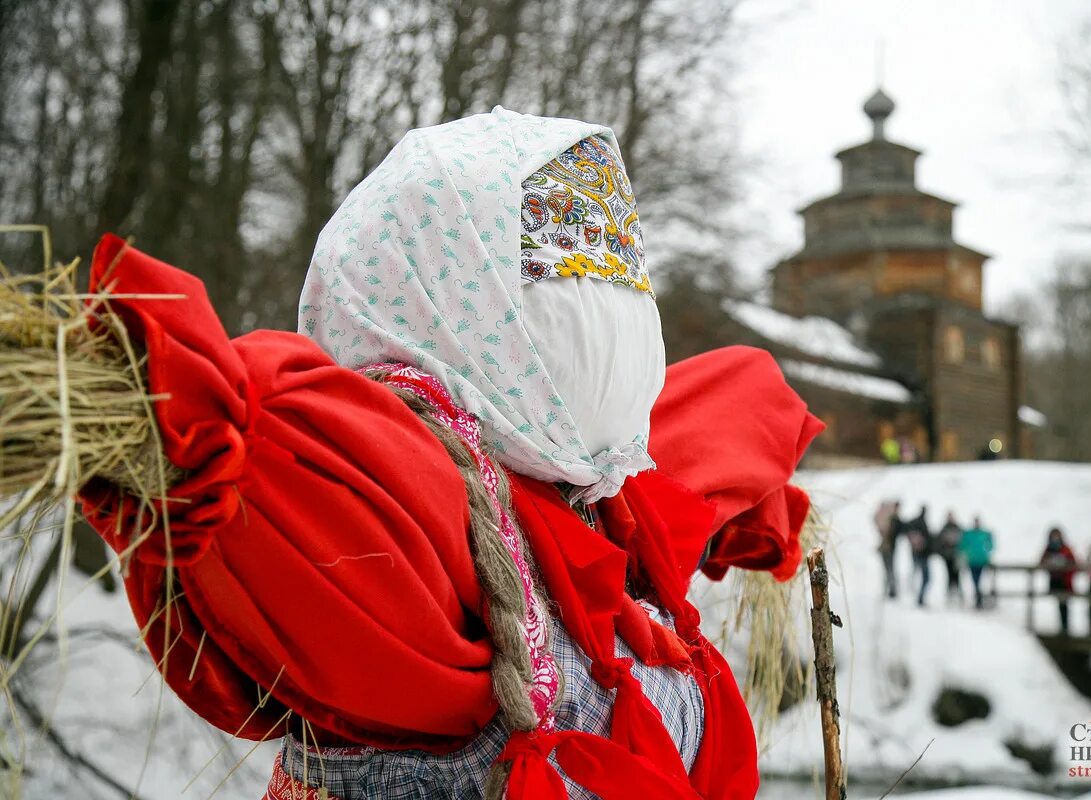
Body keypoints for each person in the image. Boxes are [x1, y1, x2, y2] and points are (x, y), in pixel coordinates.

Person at [77, 109, 824, 799]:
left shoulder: (597, 500)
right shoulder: (408, 508)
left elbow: (718, 422)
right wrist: (150, 410)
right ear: (450, 294)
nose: (609, 308)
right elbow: (281, 471)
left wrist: (773, 517)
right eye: (578, 277)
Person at [1040, 527, 1078, 634]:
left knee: (1064, 604)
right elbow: (1041, 562)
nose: (1055, 538)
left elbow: (1074, 563)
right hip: (1054, 581)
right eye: (1053, 536)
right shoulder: (1048, 549)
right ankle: (1063, 627)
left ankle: (1065, 627)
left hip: (1064, 581)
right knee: (1060, 603)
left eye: (1057, 536)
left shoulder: (1066, 549)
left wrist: (1065, 564)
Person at [958, 515, 994, 609]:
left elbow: (991, 545)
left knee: (980, 581)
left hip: (982, 561)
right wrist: (968, 553)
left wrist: (986, 551)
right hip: (972, 561)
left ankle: (979, 598)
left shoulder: (984, 533)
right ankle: (978, 598)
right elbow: (962, 545)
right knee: (975, 580)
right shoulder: (969, 534)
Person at [874, 500, 901, 598]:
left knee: (890, 569)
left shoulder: (894, 520)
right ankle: (890, 589)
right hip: (887, 548)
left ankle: (892, 590)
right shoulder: (889, 519)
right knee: (888, 569)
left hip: (890, 548)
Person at [936, 512, 964, 605]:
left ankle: (959, 594)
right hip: (947, 556)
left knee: (957, 575)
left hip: (956, 556)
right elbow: (939, 541)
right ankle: (949, 594)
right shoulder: (944, 528)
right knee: (949, 575)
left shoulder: (957, 527)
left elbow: (962, 540)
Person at [907, 506, 933, 606]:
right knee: (925, 577)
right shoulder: (921, 524)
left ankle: (919, 597)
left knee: (921, 576)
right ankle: (919, 597)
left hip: (919, 555)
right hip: (921, 555)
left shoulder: (917, 523)